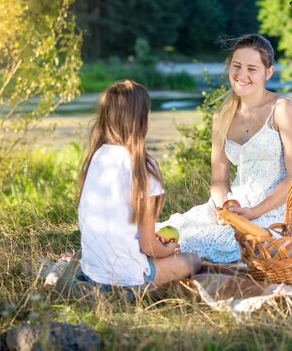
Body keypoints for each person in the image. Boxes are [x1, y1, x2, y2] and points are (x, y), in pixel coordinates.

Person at [158, 33, 292, 263]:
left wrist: (255, 212)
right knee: (177, 231)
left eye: (252, 69)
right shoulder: (222, 116)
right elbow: (218, 180)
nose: (242, 75)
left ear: (268, 73)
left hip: (276, 207)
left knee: (232, 244)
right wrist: (221, 209)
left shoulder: (282, 109)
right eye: (236, 66)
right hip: (234, 206)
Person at [77, 80, 202, 288]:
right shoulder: (142, 165)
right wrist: (169, 251)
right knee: (193, 260)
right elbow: (148, 247)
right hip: (128, 281)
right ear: (143, 120)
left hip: (93, 275)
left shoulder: (96, 157)